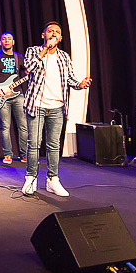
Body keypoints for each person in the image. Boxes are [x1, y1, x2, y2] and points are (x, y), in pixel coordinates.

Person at [22, 22, 92, 197]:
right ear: (43, 35)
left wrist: (80, 84)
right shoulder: (33, 51)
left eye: (57, 32)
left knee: (54, 146)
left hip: (57, 107)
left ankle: (53, 180)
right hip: (36, 105)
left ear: (61, 38)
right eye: (50, 31)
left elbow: (70, 79)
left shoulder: (64, 57)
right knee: (34, 145)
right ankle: (31, 179)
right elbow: (28, 68)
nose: (53, 33)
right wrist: (45, 49)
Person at [0, 32, 29, 165]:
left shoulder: (19, 57)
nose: (7, 40)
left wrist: (34, 73)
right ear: (0, 42)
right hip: (0, 95)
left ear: (13, 42)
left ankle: (24, 155)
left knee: (23, 126)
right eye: (4, 39)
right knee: (5, 127)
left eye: (9, 39)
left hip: (17, 94)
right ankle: (8, 155)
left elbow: (27, 73)